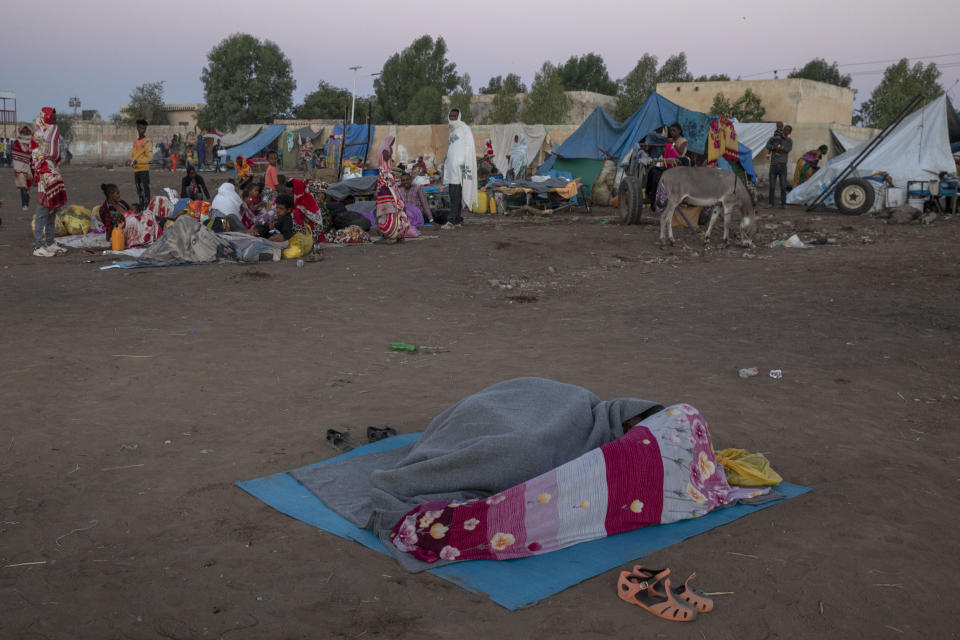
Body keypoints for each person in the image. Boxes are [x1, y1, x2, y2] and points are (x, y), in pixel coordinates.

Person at [30, 107, 68, 257]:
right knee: (42, 211)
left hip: (53, 173)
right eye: (53, 117)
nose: (55, 120)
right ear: (46, 118)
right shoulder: (39, 134)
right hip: (44, 175)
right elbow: (43, 155)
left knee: (53, 210)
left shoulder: (51, 132)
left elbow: (59, 154)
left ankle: (50, 242)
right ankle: (38, 246)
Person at [375, 137, 415, 242]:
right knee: (390, 206)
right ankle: (391, 232)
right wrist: (390, 150)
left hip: (386, 180)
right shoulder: (385, 149)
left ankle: (396, 232)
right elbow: (387, 158)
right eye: (391, 142)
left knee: (395, 205)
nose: (392, 144)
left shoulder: (384, 149)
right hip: (386, 179)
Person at [442, 108, 477, 228]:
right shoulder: (452, 130)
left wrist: (461, 163)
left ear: (459, 116)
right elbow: (452, 149)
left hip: (460, 168)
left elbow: (468, 148)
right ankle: (458, 219)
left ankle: (452, 220)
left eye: (454, 116)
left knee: (456, 194)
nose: (452, 118)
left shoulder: (464, 129)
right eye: (450, 116)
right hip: (452, 169)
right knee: (454, 195)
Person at [766, 124, 793, 208]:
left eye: (788, 130)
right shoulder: (774, 138)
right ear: (783, 129)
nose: (785, 131)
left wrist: (780, 147)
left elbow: (787, 149)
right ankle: (770, 203)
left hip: (782, 166)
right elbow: (767, 146)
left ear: (789, 132)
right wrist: (775, 147)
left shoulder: (789, 141)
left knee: (783, 186)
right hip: (773, 165)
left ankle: (783, 204)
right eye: (785, 129)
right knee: (772, 186)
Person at [129, 119, 153, 210]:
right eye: (140, 128)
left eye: (144, 128)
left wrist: (137, 161)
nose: (142, 130)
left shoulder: (148, 142)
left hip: (144, 170)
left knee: (145, 191)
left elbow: (149, 158)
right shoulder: (135, 142)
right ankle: (141, 208)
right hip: (136, 170)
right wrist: (130, 161)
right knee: (139, 191)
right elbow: (133, 155)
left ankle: (146, 209)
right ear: (137, 128)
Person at [12, 126, 34, 210]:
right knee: (22, 186)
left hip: (28, 167)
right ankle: (24, 204)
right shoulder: (16, 142)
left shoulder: (31, 142)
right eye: (23, 132)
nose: (25, 133)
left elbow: (33, 153)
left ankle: (26, 202)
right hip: (19, 167)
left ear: (28, 132)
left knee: (27, 187)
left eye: (26, 131)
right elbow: (14, 153)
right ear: (21, 132)